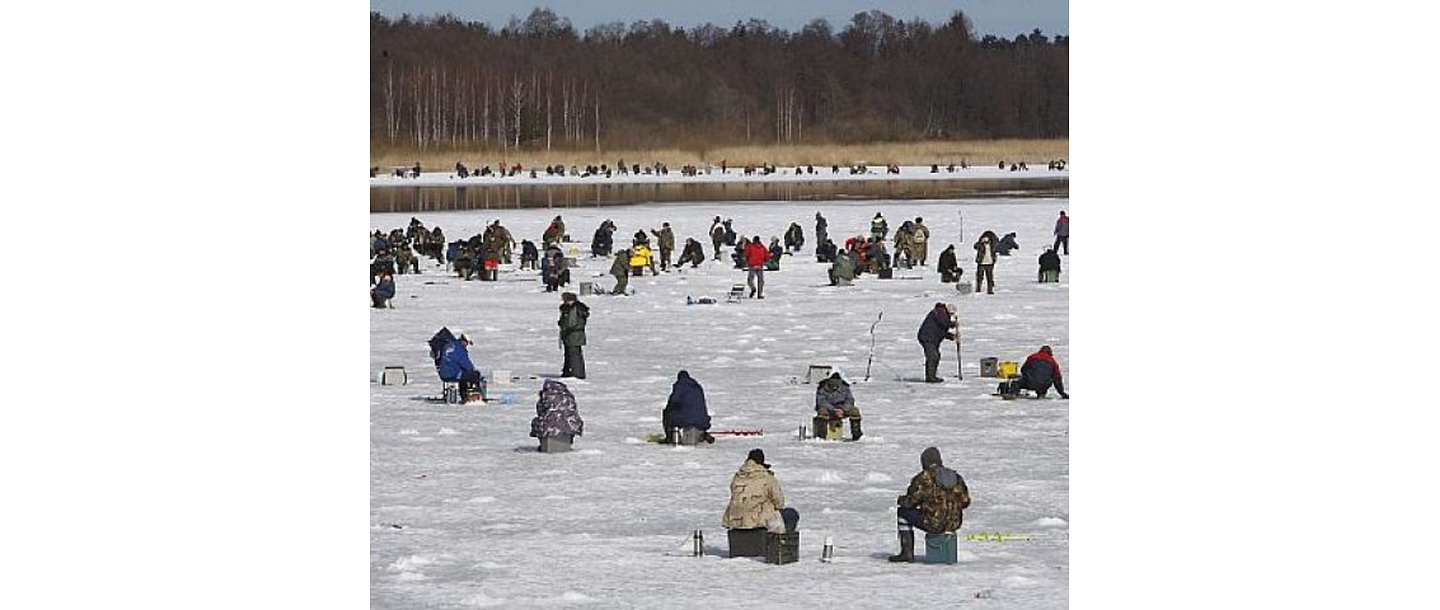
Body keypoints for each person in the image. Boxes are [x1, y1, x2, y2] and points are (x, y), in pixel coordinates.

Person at [888, 447, 971, 563]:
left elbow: (911, 502)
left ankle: (906, 553)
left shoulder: (924, 478)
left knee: (903, 512)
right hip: (953, 523)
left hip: (933, 523)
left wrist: (901, 500)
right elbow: (965, 501)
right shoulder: (956, 477)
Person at [721, 449, 794, 534]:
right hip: (758, 521)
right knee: (791, 514)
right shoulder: (767, 477)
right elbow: (779, 502)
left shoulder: (737, 476)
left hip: (736, 520)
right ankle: (780, 540)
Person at [661, 370, 714, 444]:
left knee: (668, 413)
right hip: (703, 421)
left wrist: (669, 409)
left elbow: (673, 400)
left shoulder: (680, 385)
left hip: (688, 421)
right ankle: (702, 434)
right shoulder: (697, 386)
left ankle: (670, 437)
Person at [1001, 346, 1069, 399]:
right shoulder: (1053, 362)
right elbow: (1057, 379)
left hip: (1030, 382)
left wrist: (1026, 376)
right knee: (1045, 381)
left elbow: (1023, 369)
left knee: (1016, 383)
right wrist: (1062, 393)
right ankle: (1041, 394)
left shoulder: (1033, 357)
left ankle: (1013, 394)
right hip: (1043, 385)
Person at [437, 329, 486, 402]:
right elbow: (466, 364)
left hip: (443, 374)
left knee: (463, 376)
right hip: (453, 374)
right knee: (474, 375)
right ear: (463, 341)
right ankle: (476, 396)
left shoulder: (449, 345)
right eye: (467, 343)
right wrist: (473, 371)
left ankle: (464, 396)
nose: (467, 345)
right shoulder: (459, 349)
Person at [530, 379, 584, 445]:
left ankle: (544, 443)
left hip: (550, 426)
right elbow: (574, 410)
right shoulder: (569, 396)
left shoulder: (546, 396)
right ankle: (568, 442)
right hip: (570, 424)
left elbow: (541, 411)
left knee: (538, 421)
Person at [917, 302, 957, 383]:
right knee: (933, 356)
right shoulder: (940, 312)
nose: (951, 316)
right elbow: (943, 323)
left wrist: (951, 336)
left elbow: (941, 331)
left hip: (933, 338)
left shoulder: (943, 315)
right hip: (927, 337)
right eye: (951, 314)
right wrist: (952, 324)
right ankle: (930, 377)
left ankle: (931, 376)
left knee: (935, 356)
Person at [814, 372, 863, 440]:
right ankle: (821, 435)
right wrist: (833, 409)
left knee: (855, 411)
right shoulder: (822, 389)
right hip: (828, 409)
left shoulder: (845, 388)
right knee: (822, 411)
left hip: (842, 408)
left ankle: (856, 434)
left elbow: (849, 399)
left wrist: (843, 409)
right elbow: (821, 402)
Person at [558, 292, 588, 379]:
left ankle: (577, 373)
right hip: (574, 335)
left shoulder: (573, 309)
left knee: (574, 355)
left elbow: (571, 323)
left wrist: (563, 324)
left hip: (573, 335)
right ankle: (569, 372)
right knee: (571, 354)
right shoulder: (575, 308)